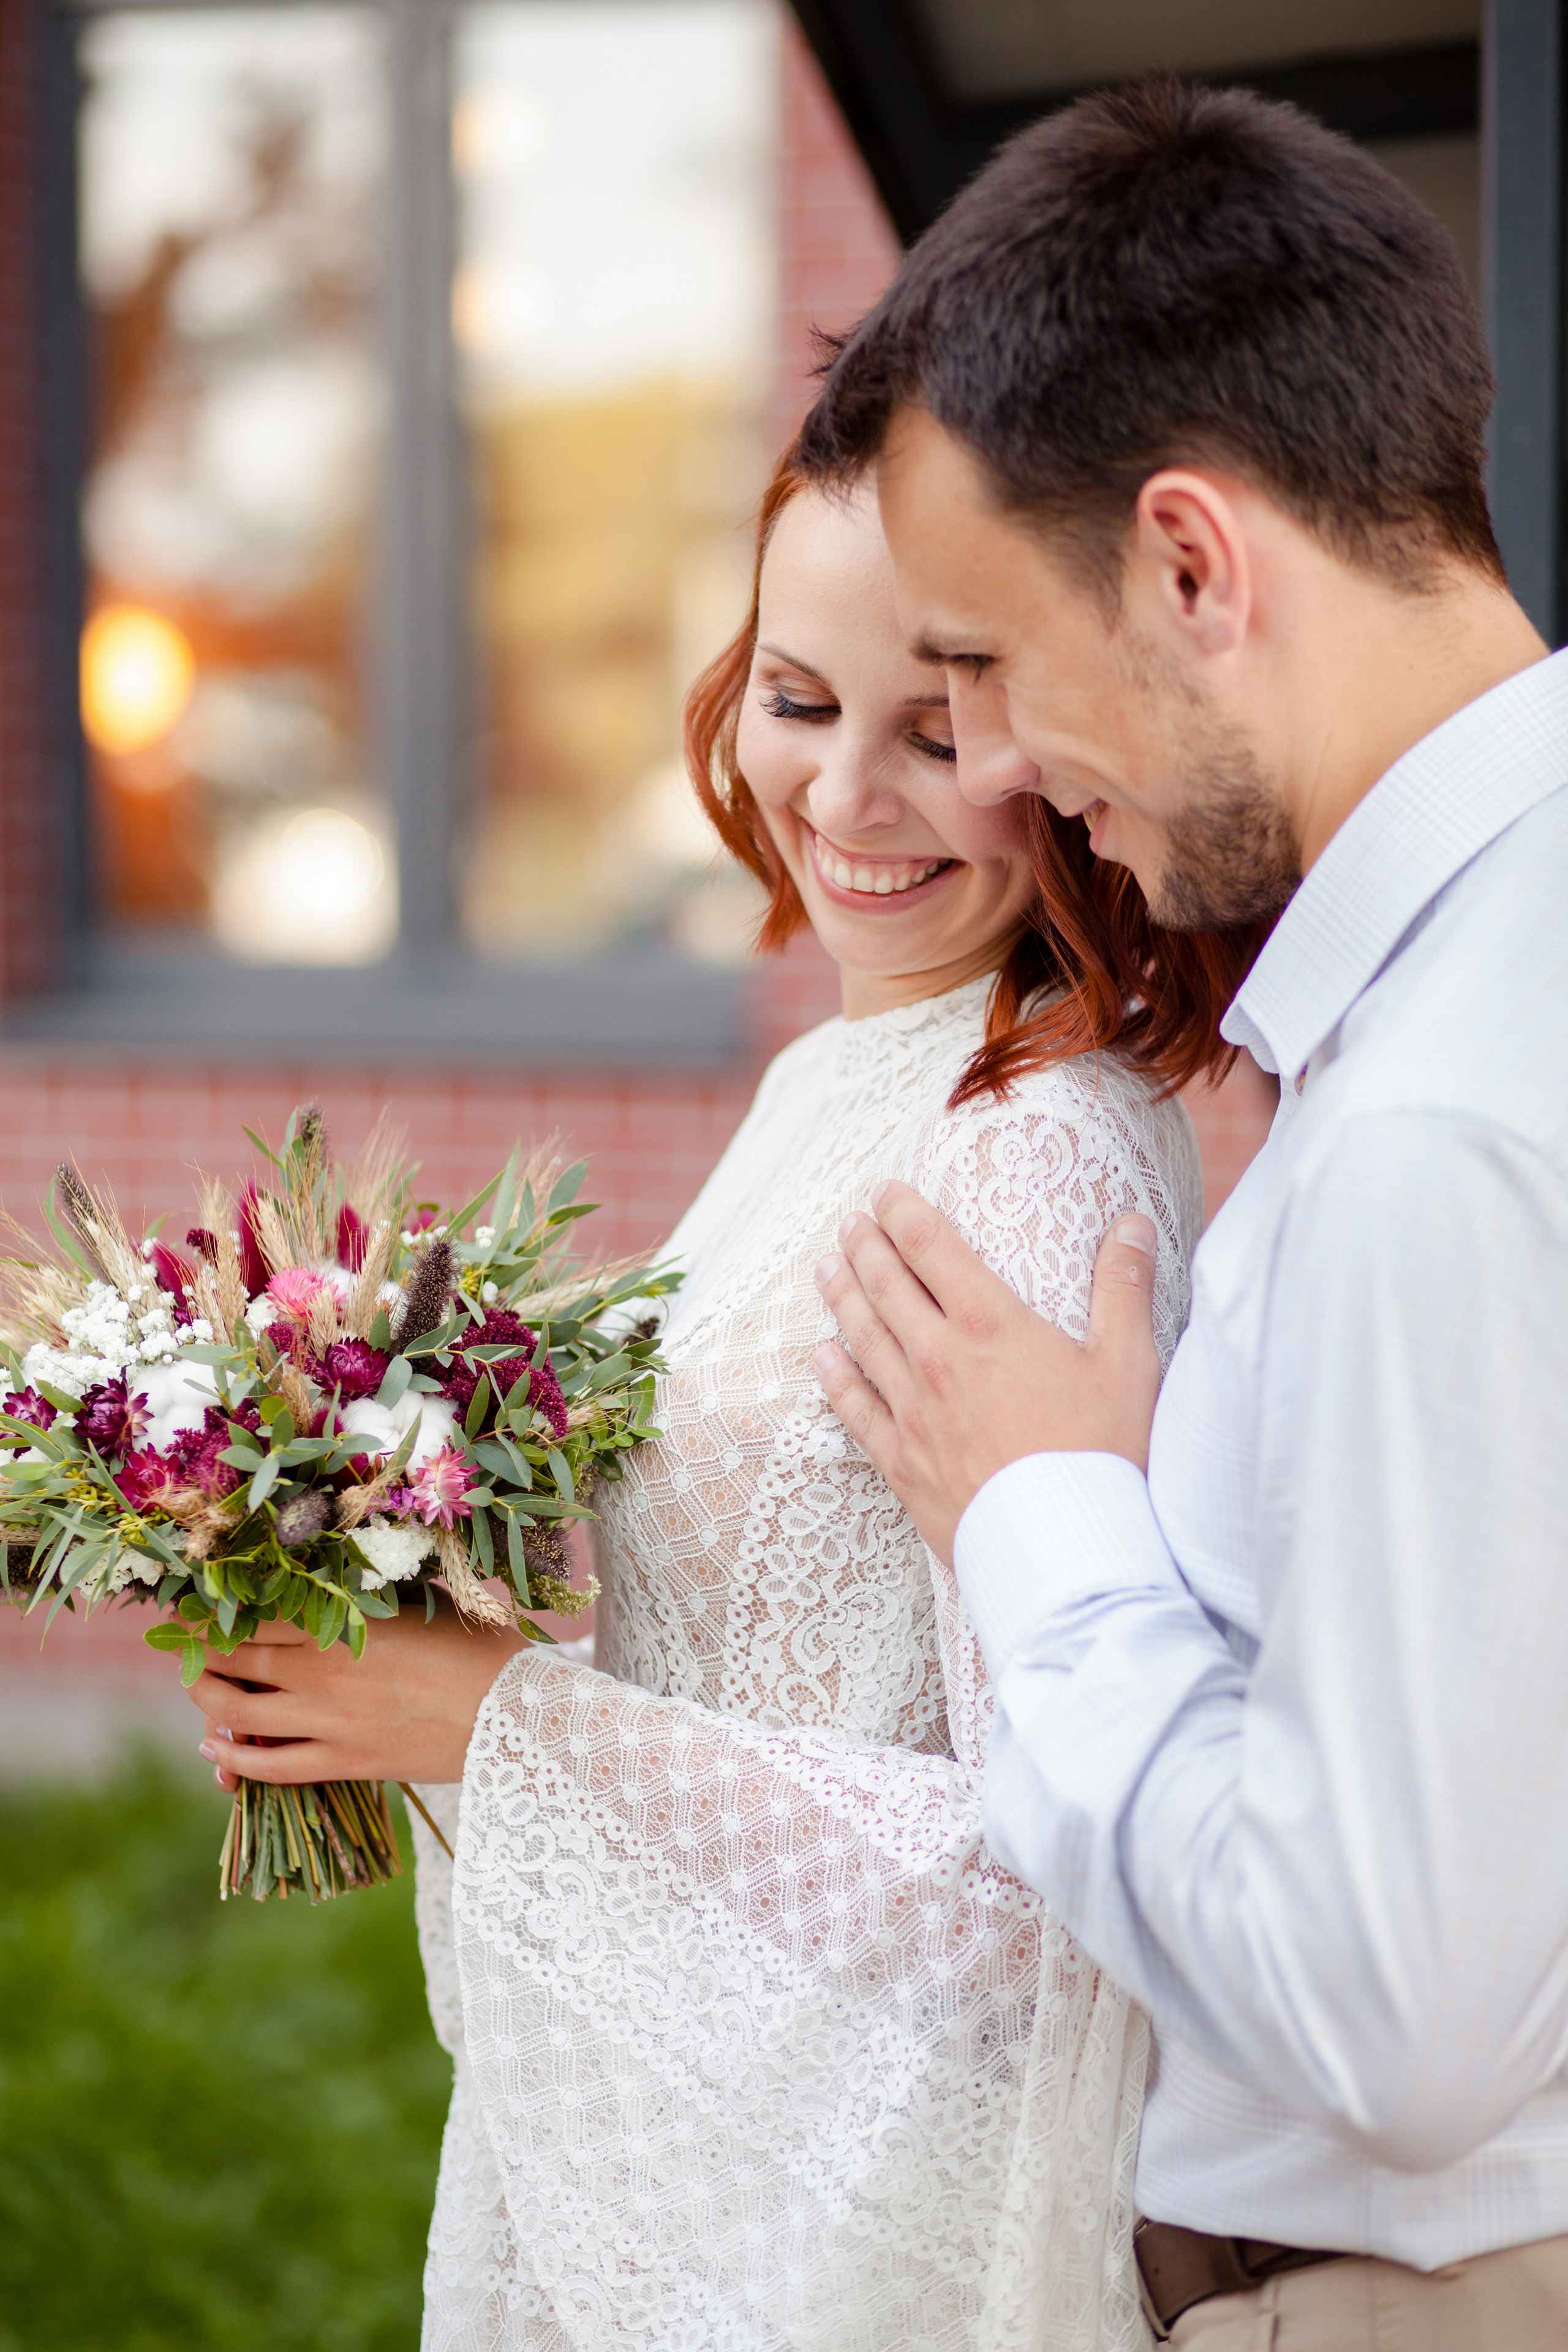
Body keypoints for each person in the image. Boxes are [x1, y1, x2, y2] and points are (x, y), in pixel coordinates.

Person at [188, 450, 1245, 2348]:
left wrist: (501, 1727)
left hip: (850, 2232)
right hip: (723, 2135)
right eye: (796, 695)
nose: (842, 798)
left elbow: (1053, 1902)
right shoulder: (841, 1075)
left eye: (934, 729)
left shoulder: (1025, 1156)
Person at [797, 78, 1568, 2351]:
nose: (1002, 770)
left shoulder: (1443, 1118)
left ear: (1195, 565)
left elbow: (1388, 2026)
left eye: (990, 669)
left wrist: (1047, 1518)